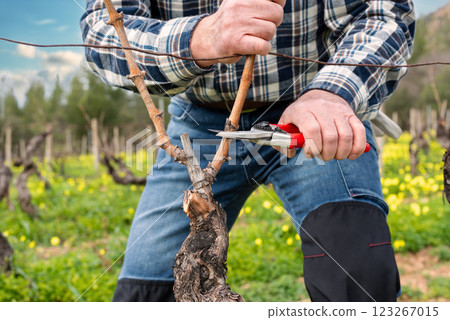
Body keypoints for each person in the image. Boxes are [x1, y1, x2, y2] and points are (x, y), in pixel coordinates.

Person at [80, 0, 415, 302]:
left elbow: (383, 13)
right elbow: (102, 31)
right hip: (197, 123)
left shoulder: (322, 103)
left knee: (358, 273)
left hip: (311, 113)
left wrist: (334, 92)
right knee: (143, 295)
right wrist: (200, 39)